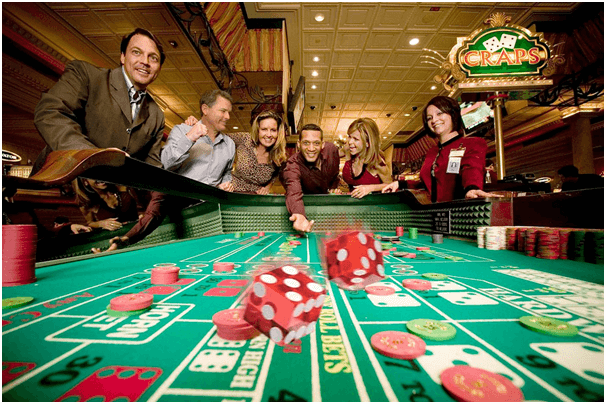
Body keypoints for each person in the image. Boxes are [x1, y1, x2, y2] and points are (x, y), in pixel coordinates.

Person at [32, 28, 166, 174]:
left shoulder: (157, 115)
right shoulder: (86, 75)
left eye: (153, 58)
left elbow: (151, 167)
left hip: (110, 195)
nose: (145, 61)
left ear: (158, 68)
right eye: (136, 52)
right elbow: (50, 113)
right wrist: (96, 158)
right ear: (122, 57)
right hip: (58, 184)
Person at [383, 96, 498, 202]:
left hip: (459, 214)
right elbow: (428, 183)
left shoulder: (473, 143)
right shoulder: (432, 152)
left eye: (440, 113)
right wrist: (400, 184)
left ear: (453, 114)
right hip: (435, 214)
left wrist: (472, 188)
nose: (434, 120)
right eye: (429, 118)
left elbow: (471, 168)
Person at [184, 109, 287, 194]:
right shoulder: (245, 139)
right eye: (264, 129)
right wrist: (198, 124)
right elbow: (218, 136)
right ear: (258, 130)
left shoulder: (279, 155)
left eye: (273, 130)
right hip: (230, 192)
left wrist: (267, 187)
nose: (268, 134)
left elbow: (275, 174)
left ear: (278, 132)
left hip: (254, 199)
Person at [162, 90, 235, 191]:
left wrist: (224, 185)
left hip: (211, 202)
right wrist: (189, 138)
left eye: (228, 112)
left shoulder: (230, 144)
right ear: (205, 109)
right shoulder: (182, 130)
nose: (228, 117)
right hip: (181, 200)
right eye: (223, 111)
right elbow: (165, 164)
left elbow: (227, 173)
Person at [280, 123, 342, 232]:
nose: (311, 148)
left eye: (316, 143)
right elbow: (293, 191)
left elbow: (335, 173)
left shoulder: (332, 150)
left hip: (329, 207)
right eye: (306, 143)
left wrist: (333, 188)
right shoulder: (293, 165)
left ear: (322, 144)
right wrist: (299, 214)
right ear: (299, 144)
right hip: (308, 205)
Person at [342, 118, 392, 198]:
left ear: (368, 143)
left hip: (373, 206)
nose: (350, 142)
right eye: (349, 137)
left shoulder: (378, 163)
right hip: (353, 206)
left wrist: (370, 188)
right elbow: (330, 155)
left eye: (355, 139)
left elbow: (390, 186)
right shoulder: (349, 151)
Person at [72, 178, 140, 231]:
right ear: (85, 182)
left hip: (137, 227)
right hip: (114, 235)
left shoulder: (123, 186)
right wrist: (101, 223)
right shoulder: (86, 202)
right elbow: (90, 222)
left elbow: (144, 206)